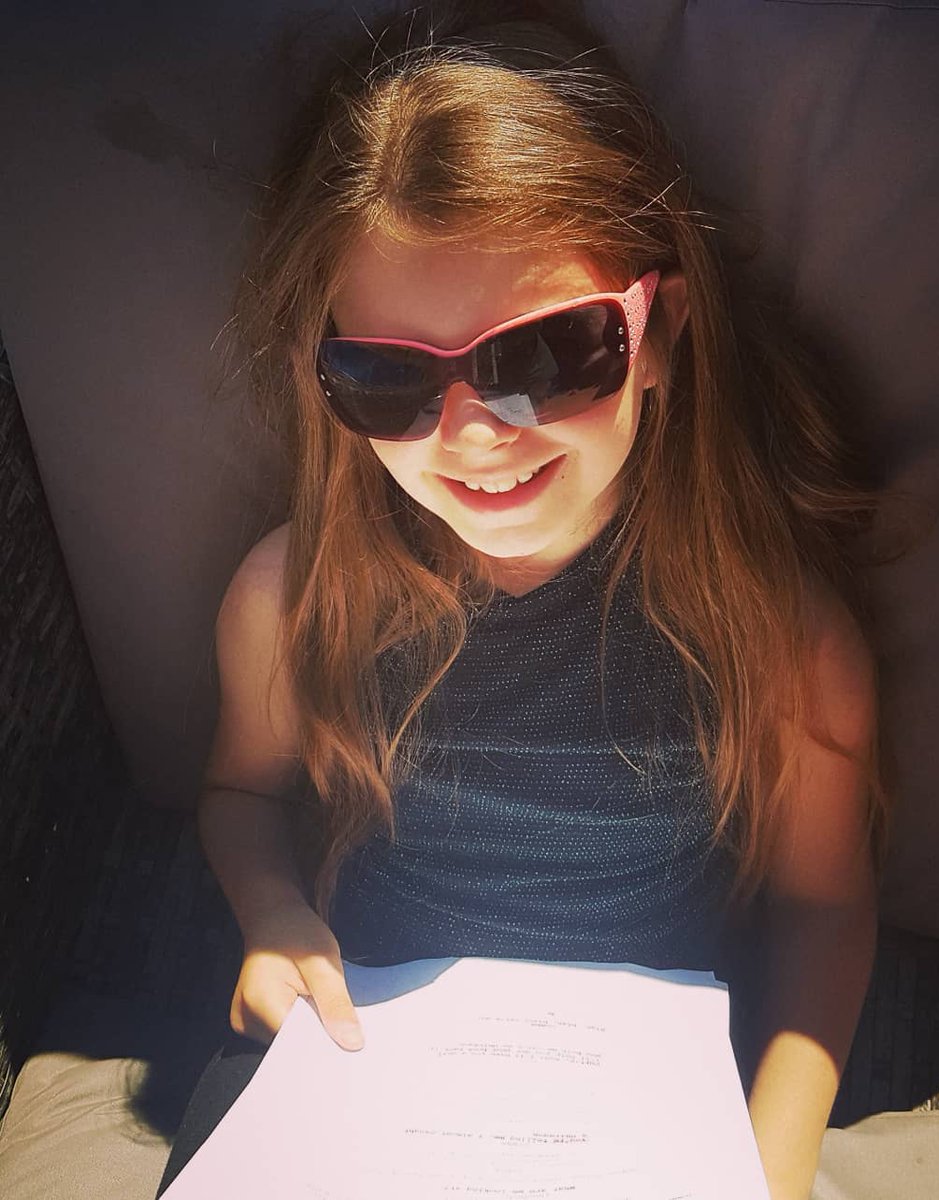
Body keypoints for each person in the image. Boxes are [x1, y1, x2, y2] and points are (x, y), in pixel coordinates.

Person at [157, 3, 896, 1197]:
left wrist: (771, 1163)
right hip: (359, 1089)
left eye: (543, 358)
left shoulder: (774, 633)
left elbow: (820, 910)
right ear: (322, 375)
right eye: (386, 378)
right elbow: (241, 794)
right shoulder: (296, 598)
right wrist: (271, 910)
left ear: (659, 335)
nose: (471, 435)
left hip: (638, 1116)